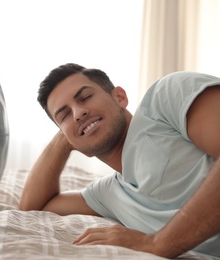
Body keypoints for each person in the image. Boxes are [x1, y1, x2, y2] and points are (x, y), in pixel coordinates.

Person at [18, 63, 220, 259]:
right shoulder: (109, 193)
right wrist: (64, 139)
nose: (78, 113)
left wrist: (157, 243)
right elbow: (32, 207)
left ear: (120, 97)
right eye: (64, 115)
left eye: (86, 97)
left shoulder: (165, 97)